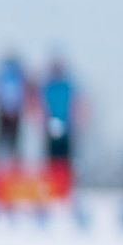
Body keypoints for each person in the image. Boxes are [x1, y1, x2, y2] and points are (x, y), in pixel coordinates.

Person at [40, 54, 77, 192]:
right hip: (50, 127)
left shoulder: (67, 86)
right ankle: (52, 187)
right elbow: (43, 106)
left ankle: (66, 188)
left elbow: (74, 105)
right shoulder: (48, 86)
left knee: (65, 161)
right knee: (51, 160)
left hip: (66, 128)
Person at [0, 51, 27, 173]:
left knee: (13, 147)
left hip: (13, 114)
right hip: (4, 114)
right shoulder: (4, 75)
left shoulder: (17, 75)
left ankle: (13, 173)